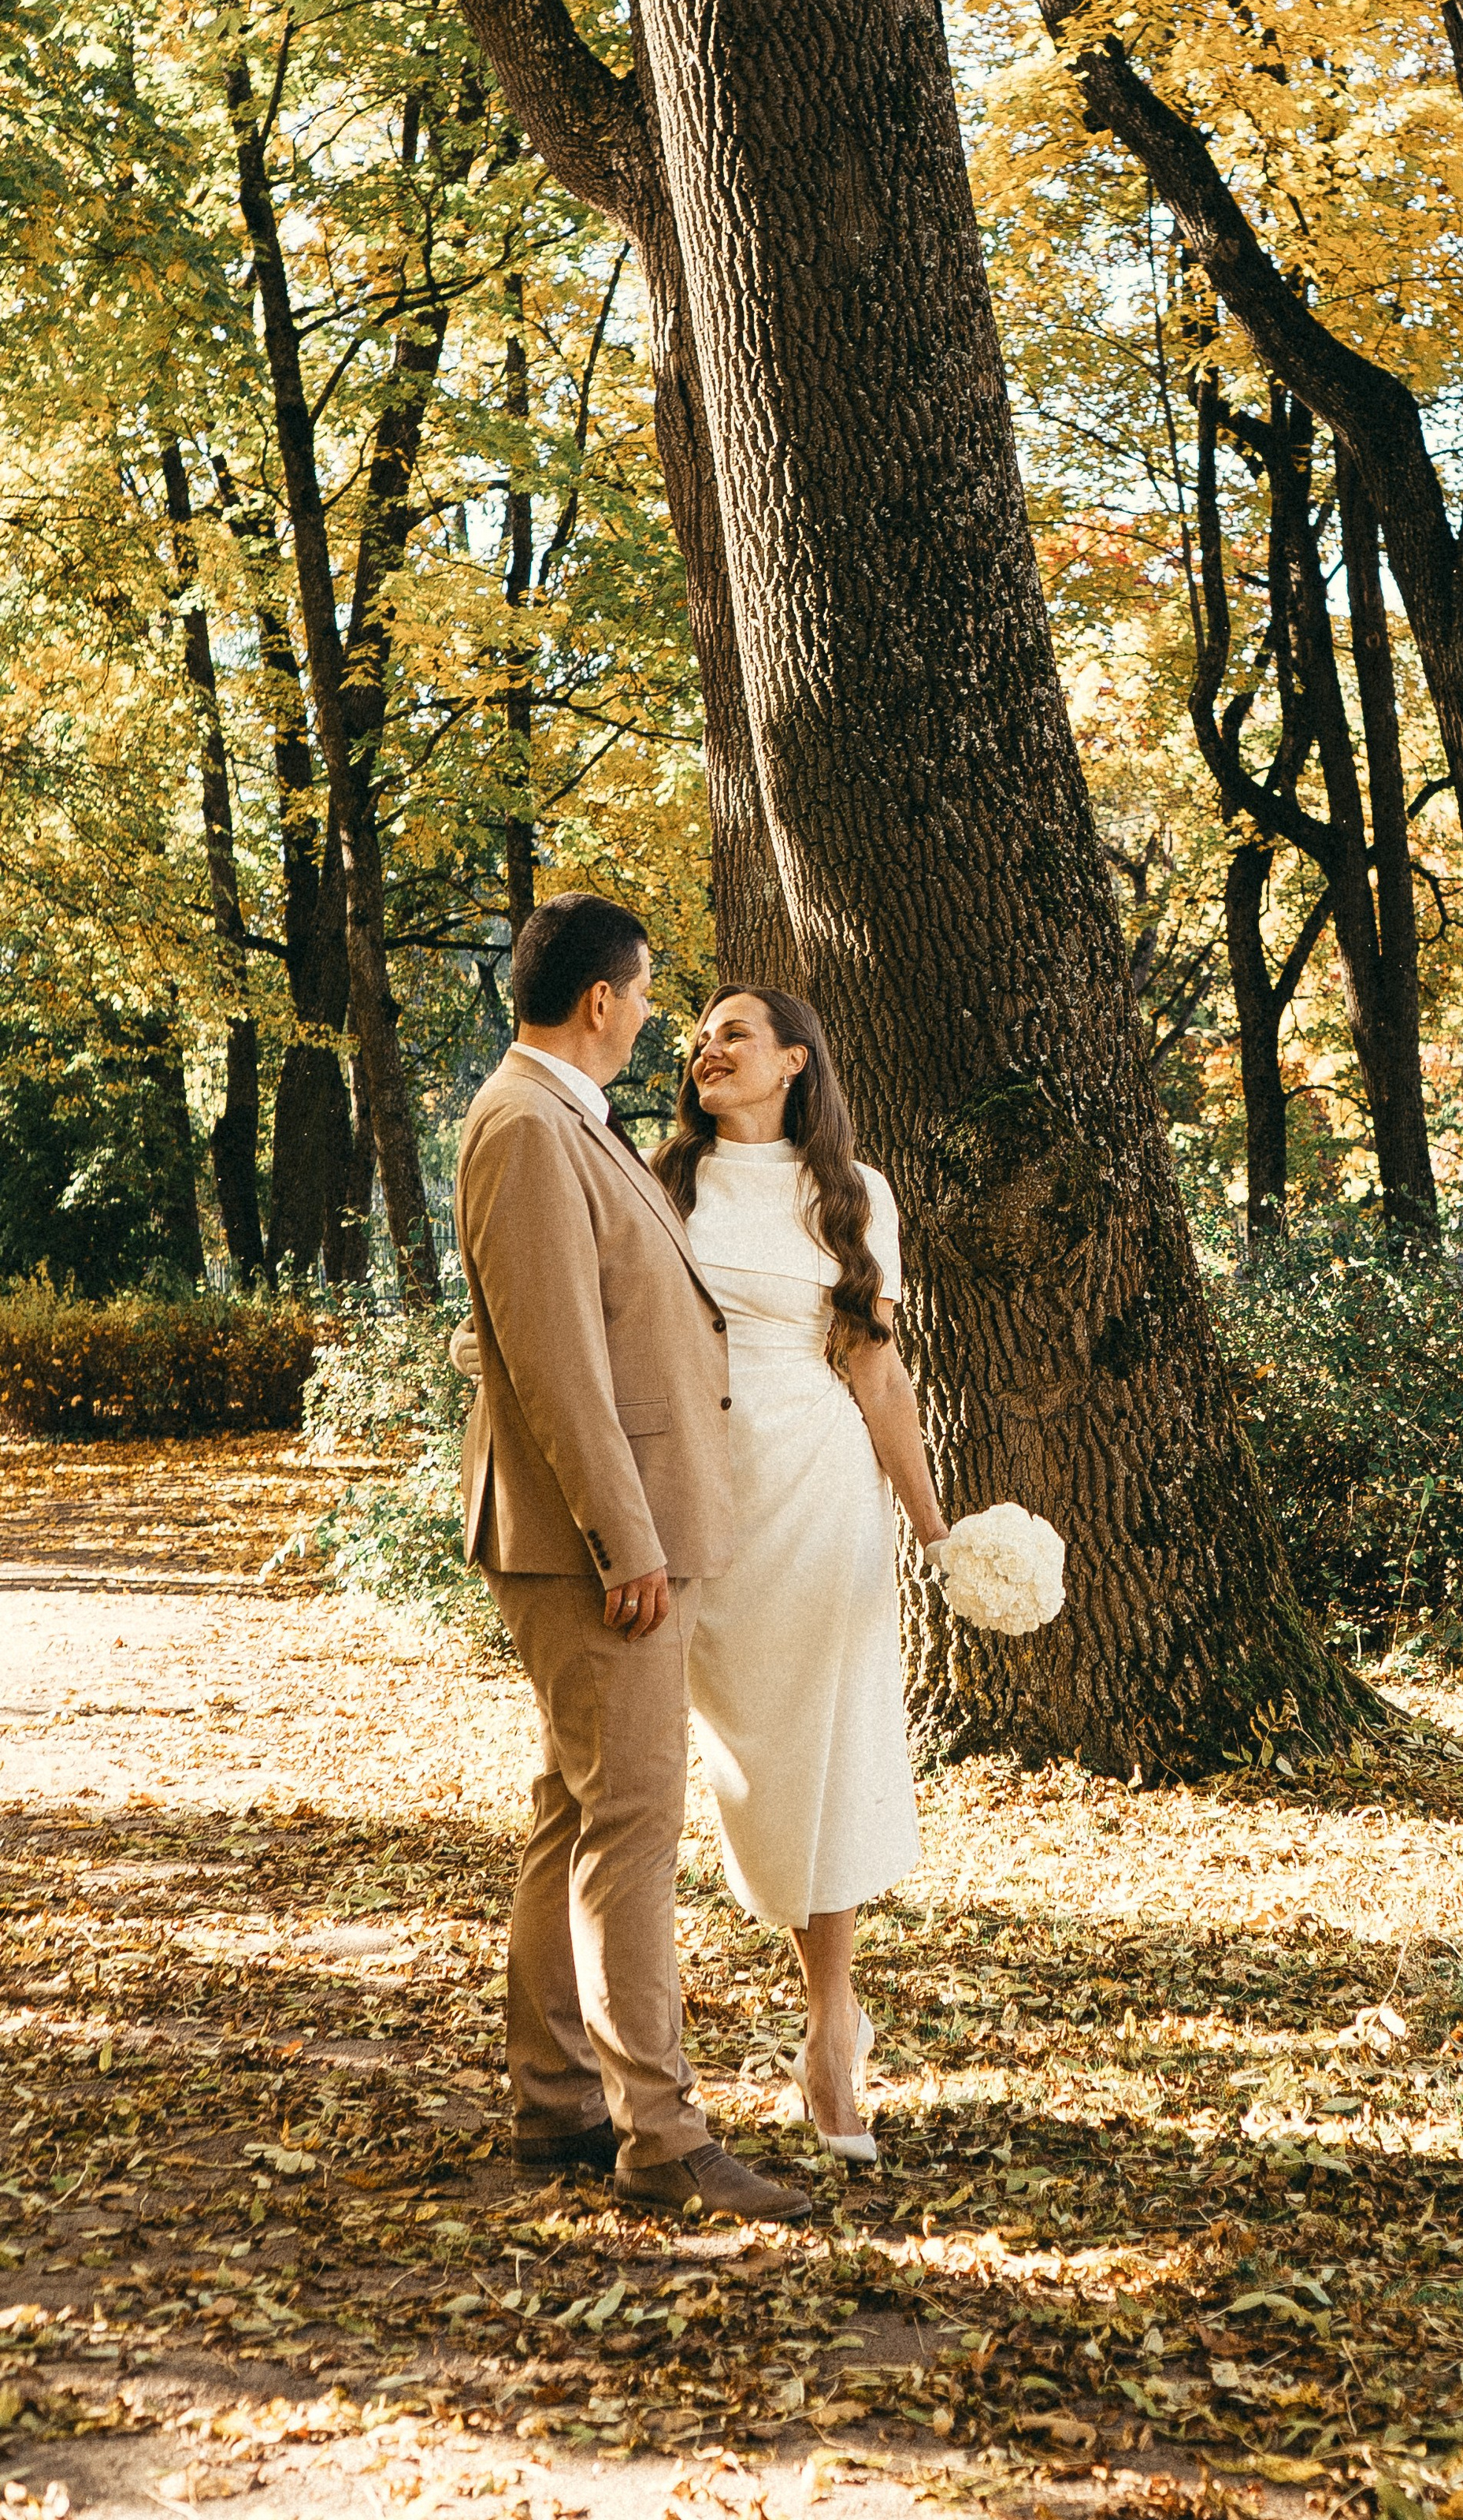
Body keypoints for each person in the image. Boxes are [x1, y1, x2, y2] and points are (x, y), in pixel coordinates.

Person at [454, 895, 811, 2224]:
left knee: (578, 1806)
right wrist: (627, 1538)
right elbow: (555, 1361)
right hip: (591, 1541)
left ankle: (555, 2101)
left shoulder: (559, 1121)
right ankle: (659, 2135)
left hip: (601, 1530)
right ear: (601, 999)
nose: (655, 1010)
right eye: (649, 988)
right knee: (634, 1822)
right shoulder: (529, 1127)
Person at [655, 987, 952, 2160]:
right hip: (690, 1499)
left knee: (824, 1756)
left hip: (819, 1492)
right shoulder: (655, 1180)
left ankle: (831, 2031)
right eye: (699, 1034)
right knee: (741, 1765)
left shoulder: (853, 1194)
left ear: (793, 1062)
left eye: (736, 1031)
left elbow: (877, 1377)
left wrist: (940, 1537)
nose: (708, 1047)